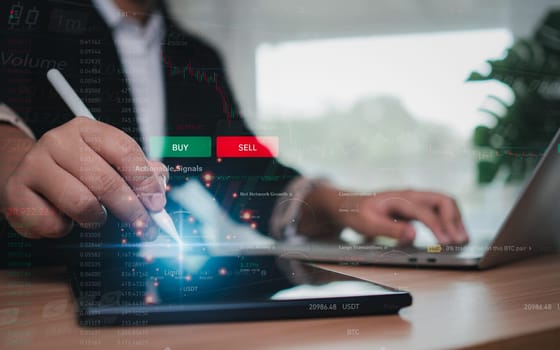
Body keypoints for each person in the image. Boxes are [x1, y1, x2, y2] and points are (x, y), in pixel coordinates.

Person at [0, 0, 468, 264]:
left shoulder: (195, 58)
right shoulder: (21, 22)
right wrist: (14, 153)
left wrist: (344, 204)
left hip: (168, 302)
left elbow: (241, 166)